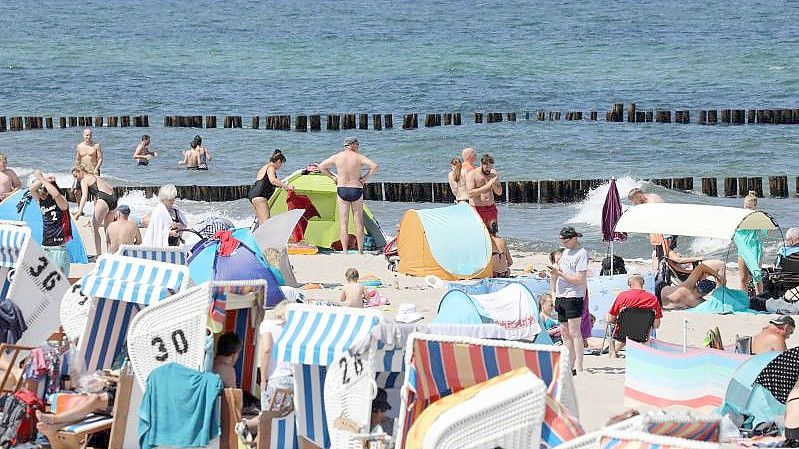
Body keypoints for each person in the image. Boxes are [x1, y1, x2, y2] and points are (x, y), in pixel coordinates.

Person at [319, 137, 379, 254]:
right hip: (356, 188)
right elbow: (374, 166)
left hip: (342, 188)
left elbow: (321, 167)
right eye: (357, 145)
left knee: (343, 221)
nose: (358, 147)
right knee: (358, 221)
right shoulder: (358, 157)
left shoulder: (337, 156)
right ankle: (361, 251)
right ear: (352, 145)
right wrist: (365, 178)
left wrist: (333, 177)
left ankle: (345, 251)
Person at [35, 374, 117, 449]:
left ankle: (54, 419)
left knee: (95, 399)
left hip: (121, 399)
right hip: (115, 397)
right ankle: (55, 427)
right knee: (84, 406)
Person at [549, 226, 588, 373]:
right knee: (564, 332)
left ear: (574, 239)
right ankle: (568, 363)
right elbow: (556, 274)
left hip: (574, 295)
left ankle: (579, 364)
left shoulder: (581, 253)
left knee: (574, 331)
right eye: (561, 241)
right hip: (561, 295)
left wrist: (560, 274)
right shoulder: (565, 252)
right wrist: (553, 293)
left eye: (565, 241)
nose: (563, 244)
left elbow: (578, 279)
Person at [29, 171, 71, 277]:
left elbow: (56, 194)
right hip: (45, 246)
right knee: (44, 278)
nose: (41, 192)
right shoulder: (41, 201)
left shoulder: (61, 201)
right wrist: (43, 179)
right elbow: (31, 189)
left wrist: (43, 180)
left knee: (60, 279)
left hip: (58, 248)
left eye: (43, 189)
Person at [72, 165, 117, 255]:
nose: (76, 179)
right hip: (113, 199)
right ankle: (110, 253)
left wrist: (79, 211)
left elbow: (84, 196)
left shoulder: (84, 180)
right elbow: (110, 188)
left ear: (80, 172)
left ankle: (99, 255)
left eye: (76, 176)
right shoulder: (96, 177)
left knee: (94, 228)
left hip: (103, 199)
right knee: (107, 229)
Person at [247, 149, 293, 225]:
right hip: (260, 196)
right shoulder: (271, 167)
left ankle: (259, 236)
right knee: (266, 224)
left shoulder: (264, 167)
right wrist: (286, 186)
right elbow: (273, 180)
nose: (280, 166)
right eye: (281, 163)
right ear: (278, 161)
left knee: (261, 223)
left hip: (253, 195)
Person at [659, 261, 727, 310]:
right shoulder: (697, 303)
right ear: (706, 294)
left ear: (699, 284)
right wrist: (720, 292)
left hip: (660, 291)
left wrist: (717, 276)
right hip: (661, 304)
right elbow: (716, 306)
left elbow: (702, 267)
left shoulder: (688, 285)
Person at [735, 192, 766, 296]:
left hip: (754, 249)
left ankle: (759, 298)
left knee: (756, 276)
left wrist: (761, 221)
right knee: (743, 278)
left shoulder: (757, 216)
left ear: (754, 206)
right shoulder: (739, 216)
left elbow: (765, 232)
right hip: (742, 249)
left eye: (749, 207)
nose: (746, 209)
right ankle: (743, 298)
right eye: (745, 206)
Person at [628, 187, 665, 265]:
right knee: (664, 249)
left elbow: (654, 216)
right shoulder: (652, 196)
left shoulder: (651, 202)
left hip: (659, 227)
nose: (634, 204)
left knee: (659, 250)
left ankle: (660, 266)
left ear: (639, 196)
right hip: (662, 226)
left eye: (635, 201)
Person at [465, 153, 502, 226]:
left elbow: (499, 192)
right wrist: (487, 186)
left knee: (493, 233)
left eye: (491, 167)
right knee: (479, 234)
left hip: (491, 208)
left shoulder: (493, 174)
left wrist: (493, 185)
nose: (489, 169)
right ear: (481, 164)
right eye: (487, 167)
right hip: (477, 209)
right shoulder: (472, 174)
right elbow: (470, 193)